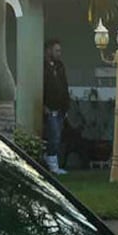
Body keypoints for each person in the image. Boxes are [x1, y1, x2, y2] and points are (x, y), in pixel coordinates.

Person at [43, 38, 69, 175]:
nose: (59, 53)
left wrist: (66, 107)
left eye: (60, 50)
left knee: (57, 136)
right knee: (54, 137)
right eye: (56, 50)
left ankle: (51, 161)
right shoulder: (43, 67)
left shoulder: (60, 66)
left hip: (60, 109)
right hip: (49, 108)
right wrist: (43, 105)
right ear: (48, 51)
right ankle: (52, 166)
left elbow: (64, 85)